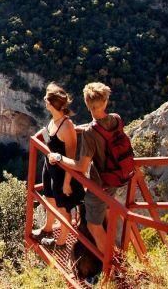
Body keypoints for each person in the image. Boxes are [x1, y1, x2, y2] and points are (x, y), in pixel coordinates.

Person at [47, 82, 133, 258]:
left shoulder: (90, 135)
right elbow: (101, 126)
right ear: (106, 102)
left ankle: (110, 263)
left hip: (101, 184)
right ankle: (116, 252)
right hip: (119, 175)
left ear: (87, 105)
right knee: (108, 212)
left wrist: (59, 158)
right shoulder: (116, 118)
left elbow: (81, 166)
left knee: (93, 224)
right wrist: (82, 128)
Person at [32, 83, 84, 249]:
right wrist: (37, 136)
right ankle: (47, 228)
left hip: (62, 174)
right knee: (50, 199)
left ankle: (60, 242)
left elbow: (71, 156)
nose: (44, 101)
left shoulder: (67, 126)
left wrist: (67, 183)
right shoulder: (54, 121)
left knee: (63, 209)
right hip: (50, 169)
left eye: (46, 99)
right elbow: (48, 133)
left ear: (52, 103)